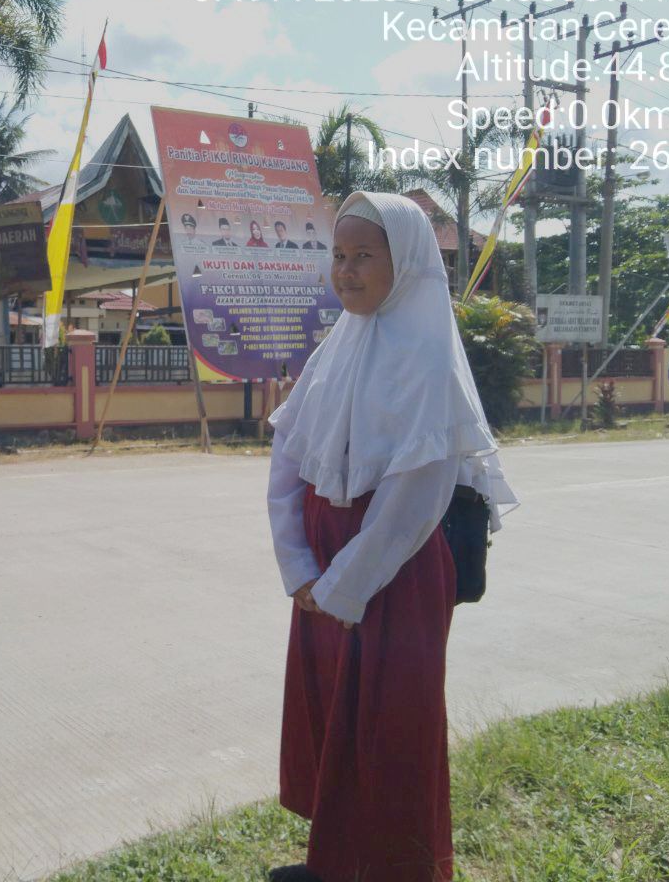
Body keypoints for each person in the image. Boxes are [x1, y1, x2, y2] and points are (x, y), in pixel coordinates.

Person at [265, 191, 517, 882]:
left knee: (388, 720)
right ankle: (334, 861)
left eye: (363, 257)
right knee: (332, 709)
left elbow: (416, 498)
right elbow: (287, 456)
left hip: (389, 571)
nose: (345, 272)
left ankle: (395, 869)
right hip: (323, 571)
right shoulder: (335, 348)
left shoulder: (426, 358)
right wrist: (298, 567)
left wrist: (341, 584)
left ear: (402, 262)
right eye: (338, 256)